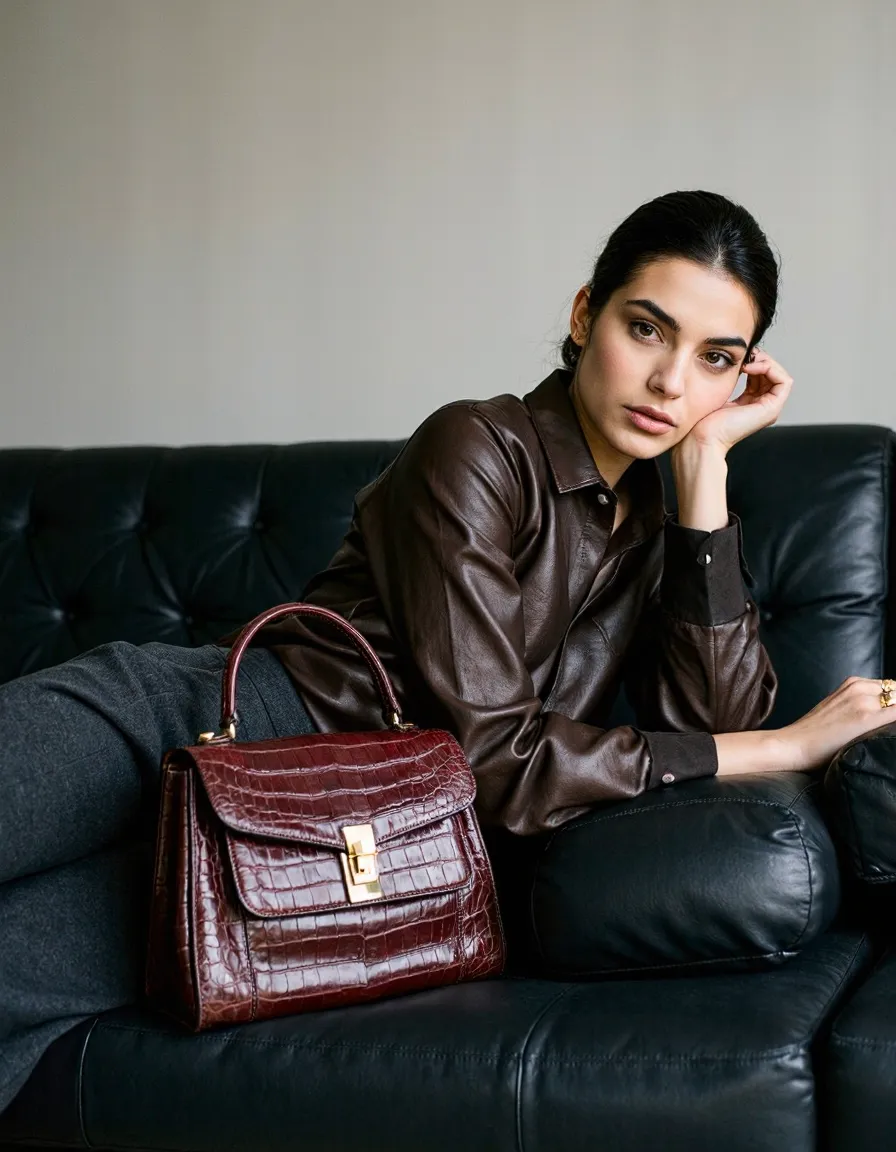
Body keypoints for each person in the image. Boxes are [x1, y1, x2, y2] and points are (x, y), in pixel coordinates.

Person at [0, 188, 893, 1115]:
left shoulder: (650, 525)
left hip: (319, 846)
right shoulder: (478, 445)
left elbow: (714, 727)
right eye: (646, 328)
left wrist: (704, 477)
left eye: (716, 359)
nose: (672, 382)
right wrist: (781, 747)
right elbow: (491, 758)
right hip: (189, 723)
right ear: (587, 315)